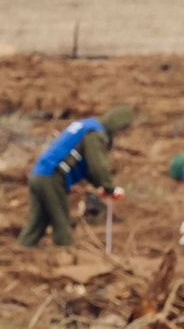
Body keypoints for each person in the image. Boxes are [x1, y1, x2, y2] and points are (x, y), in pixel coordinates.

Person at [20, 106, 131, 248]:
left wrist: (101, 186)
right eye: (122, 131)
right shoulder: (95, 133)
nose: (120, 136)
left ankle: (23, 251)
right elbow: (97, 166)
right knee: (61, 222)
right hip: (52, 176)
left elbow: (87, 168)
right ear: (117, 125)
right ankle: (65, 258)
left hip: (39, 174)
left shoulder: (88, 125)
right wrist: (109, 187)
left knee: (37, 222)